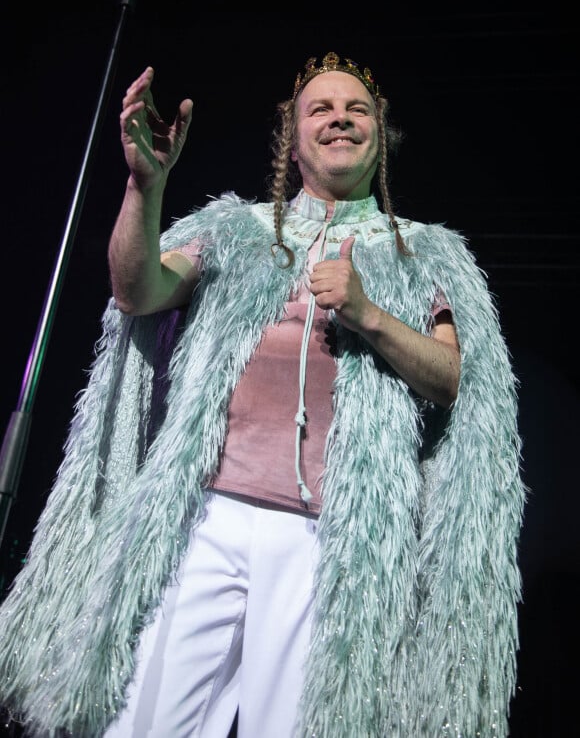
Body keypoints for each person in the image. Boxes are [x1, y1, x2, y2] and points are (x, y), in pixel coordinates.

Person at [0, 52, 525, 737]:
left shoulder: (423, 251)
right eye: (322, 109)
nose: (340, 118)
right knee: (150, 719)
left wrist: (370, 316)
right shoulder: (233, 231)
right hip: (203, 518)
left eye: (357, 109)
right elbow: (137, 291)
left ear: (381, 135)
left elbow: (454, 379)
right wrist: (144, 188)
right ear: (293, 138)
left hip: (331, 538)